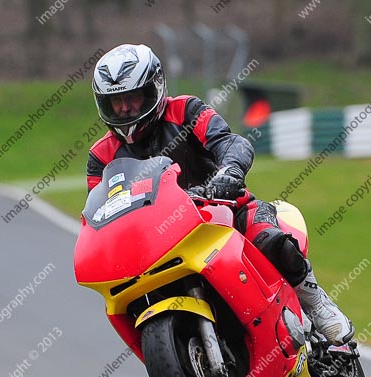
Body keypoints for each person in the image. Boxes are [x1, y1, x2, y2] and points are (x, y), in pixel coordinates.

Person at [86, 44, 354, 345]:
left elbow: (230, 142)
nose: (124, 109)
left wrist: (228, 172)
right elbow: (99, 213)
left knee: (269, 238)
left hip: (223, 209)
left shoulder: (186, 110)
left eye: (132, 98)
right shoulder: (101, 156)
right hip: (157, 243)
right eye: (115, 102)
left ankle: (316, 303)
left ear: (154, 89)